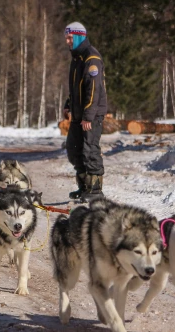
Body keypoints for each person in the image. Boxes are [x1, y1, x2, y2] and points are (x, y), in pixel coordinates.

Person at [63, 22, 107, 203]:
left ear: (79, 36)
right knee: (74, 150)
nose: (67, 41)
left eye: (70, 38)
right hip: (79, 114)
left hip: (92, 114)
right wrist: (68, 104)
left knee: (90, 151)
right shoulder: (77, 59)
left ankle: (95, 190)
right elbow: (76, 88)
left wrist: (88, 116)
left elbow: (93, 90)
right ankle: (84, 187)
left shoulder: (91, 58)